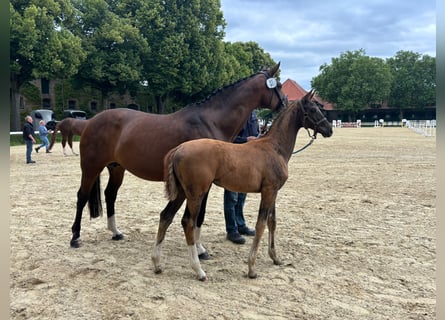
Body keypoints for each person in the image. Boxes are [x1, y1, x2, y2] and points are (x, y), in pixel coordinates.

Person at [224, 111, 260, 244]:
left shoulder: (253, 114)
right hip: (234, 159)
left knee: (241, 196)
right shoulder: (235, 114)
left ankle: (240, 224)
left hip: (248, 158)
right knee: (231, 197)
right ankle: (231, 230)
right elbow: (227, 138)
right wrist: (245, 140)